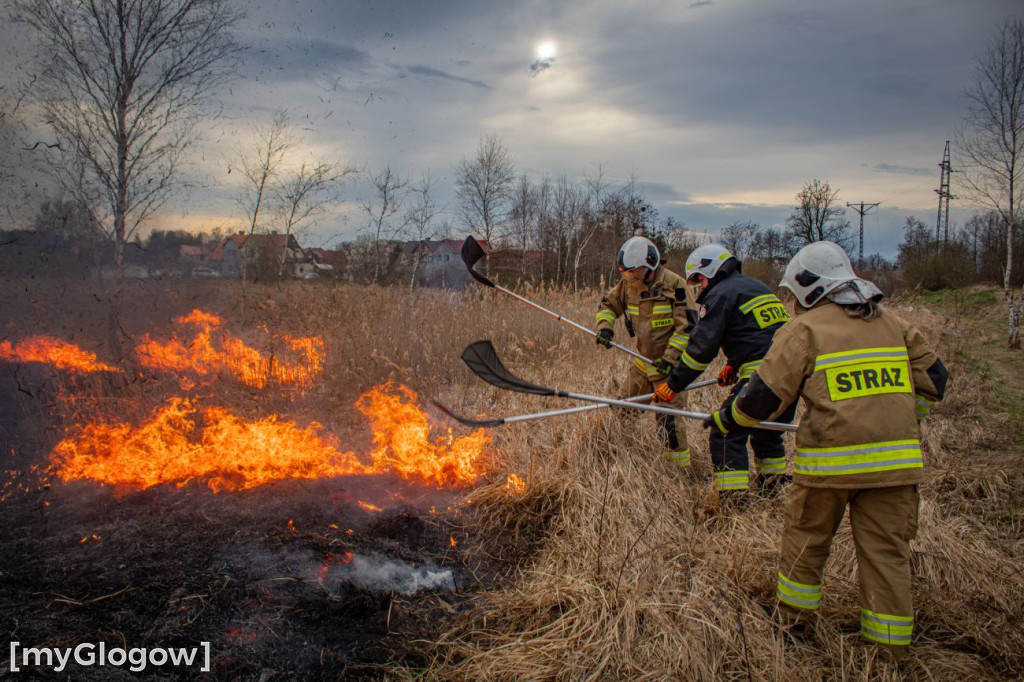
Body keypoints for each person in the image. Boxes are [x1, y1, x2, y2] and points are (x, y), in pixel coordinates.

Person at [706, 241, 948, 662]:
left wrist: (727, 420)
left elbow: (764, 397)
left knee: (806, 544)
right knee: (887, 556)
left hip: (828, 469)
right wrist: (904, 419)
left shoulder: (805, 330)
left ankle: (793, 629)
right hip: (896, 472)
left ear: (807, 289)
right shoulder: (894, 324)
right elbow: (935, 381)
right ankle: (888, 653)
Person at [654, 243, 795, 501]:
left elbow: (700, 350)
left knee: (726, 430)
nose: (701, 286)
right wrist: (735, 364)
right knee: (768, 433)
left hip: (762, 381)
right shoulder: (758, 288)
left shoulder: (720, 294)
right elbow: (759, 334)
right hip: (790, 381)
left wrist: (673, 384)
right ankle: (773, 490)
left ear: (711, 271)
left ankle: (733, 502)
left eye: (700, 280)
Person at [595, 236, 697, 468]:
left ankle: (677, 472)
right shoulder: (629, 284)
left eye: (634, 271)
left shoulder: (676, 287)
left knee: (668, 423)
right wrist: (605, 328)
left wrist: (670, 359)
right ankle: (617, 462)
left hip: (669, 370)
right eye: (626, 272)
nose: (629, 277)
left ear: (650, 264)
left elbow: (688, 330)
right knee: (622, 411)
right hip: (642, 367)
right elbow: (608, 305)